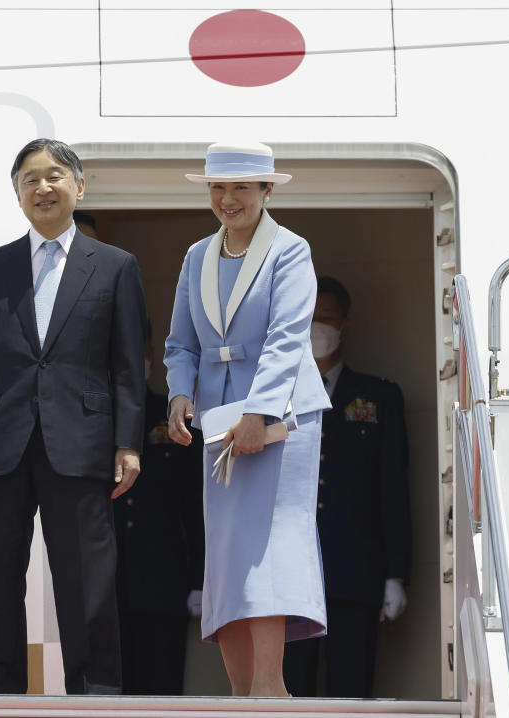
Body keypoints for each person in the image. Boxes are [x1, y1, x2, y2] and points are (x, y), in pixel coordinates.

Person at [0, 138, 148, 695]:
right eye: (30, 179)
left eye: (55, 176)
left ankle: (96, 695)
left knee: (87, 582)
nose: (43, 188)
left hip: (82, 444)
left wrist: (127, 443)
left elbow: (129, 365)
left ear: (79, 187)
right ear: (17, 194)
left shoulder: (114, 267)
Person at [164, 143, 332, 697]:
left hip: (282, 417)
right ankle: (242, 695)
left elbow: (288, 339)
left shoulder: (291, 250)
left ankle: (270, 687)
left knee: (273, 542)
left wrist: (259, 413)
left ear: (266, 191)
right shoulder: (196, 256)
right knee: (229, 550)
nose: (227, 199)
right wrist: (179, 396)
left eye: (240, 187)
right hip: (219, 421)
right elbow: (180, 344)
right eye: (217, 188)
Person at [282, 275, 411, 698]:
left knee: (351, 689)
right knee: (289, 689)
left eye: (327, 318)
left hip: (357, 570)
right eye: (309, 318)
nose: (318, 328)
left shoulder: (379, 397)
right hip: (290, 573)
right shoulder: (274, 398)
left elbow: (393, 489)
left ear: (345, 324)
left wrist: (396, 574)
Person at [115, 322, 205, 696]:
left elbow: (195, 507)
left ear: (153, 353)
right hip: (110, 581)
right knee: (111, 688)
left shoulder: (175, 420)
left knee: (162, 687)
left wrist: (201, 580)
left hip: (165, 581)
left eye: (142, 348)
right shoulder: (96, 421)